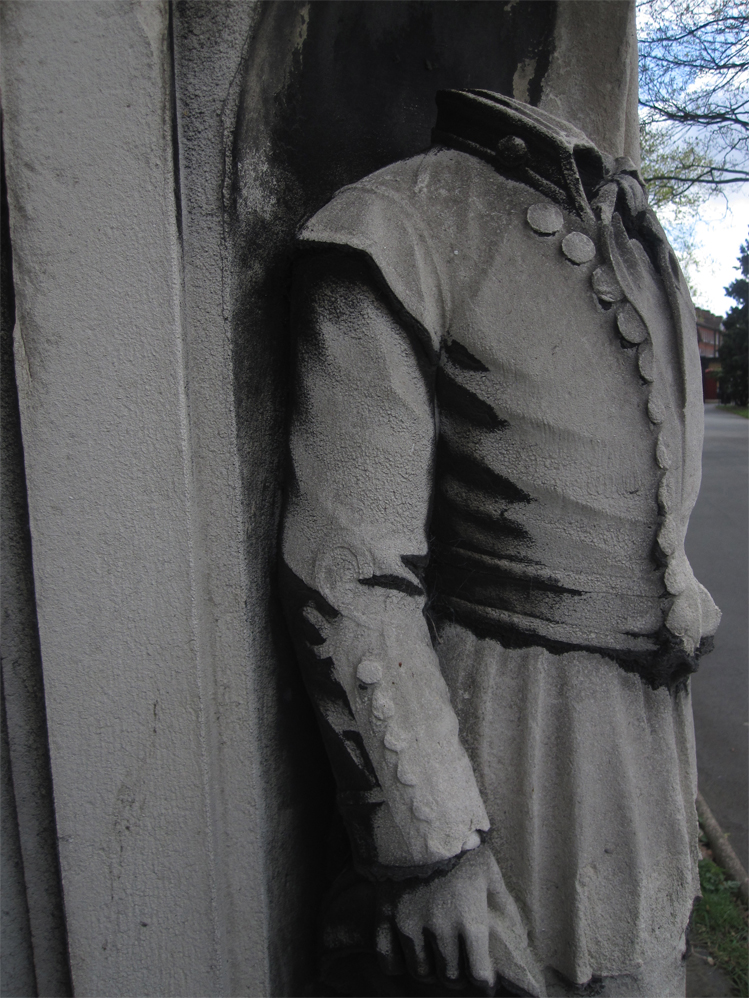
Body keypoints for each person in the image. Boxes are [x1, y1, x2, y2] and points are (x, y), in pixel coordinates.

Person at [279, 90, 720, 997]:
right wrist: (427, 841)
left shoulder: (629, 223)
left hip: (642, 719)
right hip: (513, 720)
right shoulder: (399, 225)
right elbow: (349, 565)